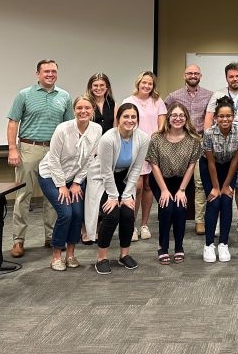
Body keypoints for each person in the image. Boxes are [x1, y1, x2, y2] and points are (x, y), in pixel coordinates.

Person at [7, 59, 73, 258]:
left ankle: (51, 236)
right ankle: (18, 240)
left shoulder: (65, 96)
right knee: (23, 195)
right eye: (46, 71)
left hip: (54, 151)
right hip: (29, 148)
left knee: (53, 196)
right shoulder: (24, 95)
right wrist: (12, 149)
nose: (50, 74)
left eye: (53, 71)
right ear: (38, 74)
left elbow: (68, 126)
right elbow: (13, 123)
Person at [38, 95, 102, 270]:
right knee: (66, 213)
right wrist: (61, 186)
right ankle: (56, 256)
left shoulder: (96, 129)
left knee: (77, 214)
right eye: (79, 108)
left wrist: (76, 183)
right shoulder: (63, 129)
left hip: (74, 178)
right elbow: (53, 160)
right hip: (50, 176)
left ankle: (71, 254)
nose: (83, 111)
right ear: (74, 110)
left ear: (93, 110)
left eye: (87, 108)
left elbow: (89, 159)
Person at [85, 103, 150, 274]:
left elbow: (136, 168)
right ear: (118, 119)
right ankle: (101, 258)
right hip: (103, 178)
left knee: (128, 213)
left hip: (124, 178)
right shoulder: (108, 138)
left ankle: (124, 255)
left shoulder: (143, 138)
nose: (130, 120)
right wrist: (113, 196)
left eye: (133, 117)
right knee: (111, 214)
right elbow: (106, 171)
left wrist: (128, 195)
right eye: (126, 116)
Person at [204, 62, 238, 238]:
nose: (235, 79)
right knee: (218, 183)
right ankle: (219, 219)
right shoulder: (217, 95)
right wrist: (207, 140)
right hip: (219, 147)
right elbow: (209, 118)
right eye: (231, 76)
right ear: (226, 77)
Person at [146, 103, 201, 265]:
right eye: (174, 115)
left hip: (183, 182)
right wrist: (163, 190)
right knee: (166, 208)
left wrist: (182, 189)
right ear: (168, 118)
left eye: (181, 116)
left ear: (186, 119)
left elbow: (192, 165)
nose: (178, 119)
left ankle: (179, 247)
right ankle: (162, 247)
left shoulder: (193, 139)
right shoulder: (157, 138)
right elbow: (153, 164)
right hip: (160, 180)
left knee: (180, 210)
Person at [163, 64, 213, 236]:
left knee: (199, 184)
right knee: (172, 179)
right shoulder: (173, 96)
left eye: (196, 73)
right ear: (184, 75)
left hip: (199, 142)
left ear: (200, 75)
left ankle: (199, 220)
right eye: (189, 73)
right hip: (178, 142)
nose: (193, 75)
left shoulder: (209, 95)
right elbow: (164, 117)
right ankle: (169, 215)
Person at [201, 96, 238, 263]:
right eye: (221, 116)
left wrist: (226, 185)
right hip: (210, 167)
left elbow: (235, 160)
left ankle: (223, 243)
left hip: (229, 167)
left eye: (228, 115)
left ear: (233, 116)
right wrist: (216, 187)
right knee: (214, 201)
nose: (225, 119)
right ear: (215, 117)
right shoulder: (208, 134)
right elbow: (210, 162)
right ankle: (208, 245)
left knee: (227, 201)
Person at [122, 71, 167, 242]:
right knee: (136, 187)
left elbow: (161, 127)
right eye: (144, 82)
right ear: (138, 83)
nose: (147, 86)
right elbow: (123, 124)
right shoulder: (129, 101)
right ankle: (131, 225)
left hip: (152, 148)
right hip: (134, 147)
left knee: (148, 187)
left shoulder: (158, 101)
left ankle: (144, 224)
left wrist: (154, 144)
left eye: (150, 83)